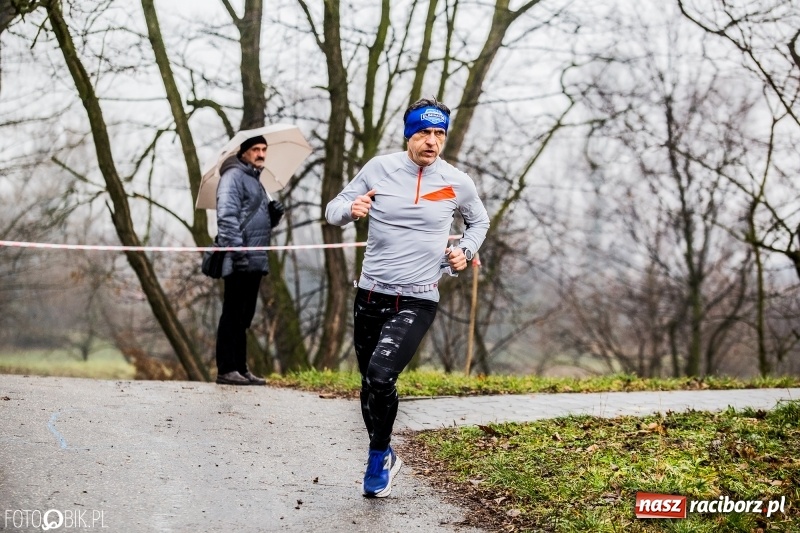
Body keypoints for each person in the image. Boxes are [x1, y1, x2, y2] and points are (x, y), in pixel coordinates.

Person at [325, 98, 490, 497]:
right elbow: (333, 210)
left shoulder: (456, 181)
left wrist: (463, 252)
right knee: (369, 383)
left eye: (439, 134)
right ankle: (384, 453)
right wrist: (353, 208)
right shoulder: (379, 169)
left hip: (418, 298)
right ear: (408, 134)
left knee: (382, 375)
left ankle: (377, 454)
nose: (432, 141)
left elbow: (479, 221)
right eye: (423, 133)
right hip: (371, 294)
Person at [215, 135, 285, 386]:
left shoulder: (256, 180)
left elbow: (257, 222)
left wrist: (273, 217)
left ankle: (241, 368)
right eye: (255, 149)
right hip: (239, 257)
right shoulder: (232, 177)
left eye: (264, 149)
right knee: (232, 314)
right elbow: (227, 217)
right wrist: (237, 252)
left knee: (244, 317)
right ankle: (226, 368)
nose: (261, 153)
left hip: (255, 258)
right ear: (243, 152)